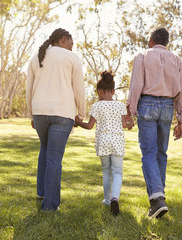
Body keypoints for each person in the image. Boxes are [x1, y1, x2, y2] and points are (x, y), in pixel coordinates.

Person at [126, 26, 182, 218]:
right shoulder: (177, 60)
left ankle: (157, 200)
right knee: (161, 152)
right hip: (168, 107)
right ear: (165, 42)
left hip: (147, 104)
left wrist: (131, 111)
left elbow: (136, 85)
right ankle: (160, 196)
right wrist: (181, 119)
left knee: (149, 152)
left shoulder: (142, 56)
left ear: (152, 40)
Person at [26, 28, 86, 211]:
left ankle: (42, 192)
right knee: (54, 156)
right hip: (62, 113)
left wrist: (32, 114)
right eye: (71, 43)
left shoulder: (36, 57)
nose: (71, 47)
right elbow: (79, 88)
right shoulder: (72, 58)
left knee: (45, 149)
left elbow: (28, 89)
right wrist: (81, 113)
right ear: (63, 39)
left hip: (40, 111)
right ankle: (50, 206)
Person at [74, 71, 134, 216]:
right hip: (117, 142)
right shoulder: (120, 106)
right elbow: (125, 125)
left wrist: (78, 122)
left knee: (106, 172)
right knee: (118, 172)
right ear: (113, 91)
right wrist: (131, 122)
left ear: (99, 91)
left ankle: (107, 200)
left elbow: (89, 126)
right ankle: (115, 198)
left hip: (103, 142)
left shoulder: (96, 106)